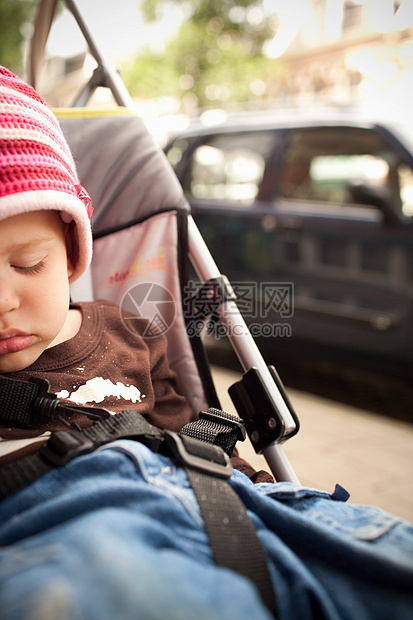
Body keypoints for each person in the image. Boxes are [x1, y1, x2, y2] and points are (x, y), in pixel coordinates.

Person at [0, 66, 412, 620]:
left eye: (28, 264)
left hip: (209, 500)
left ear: (73, 256)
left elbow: (192, 432)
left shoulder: (127, 329)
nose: (3, 301)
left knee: (383, 548)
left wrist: (257, 491)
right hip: (71, 520)